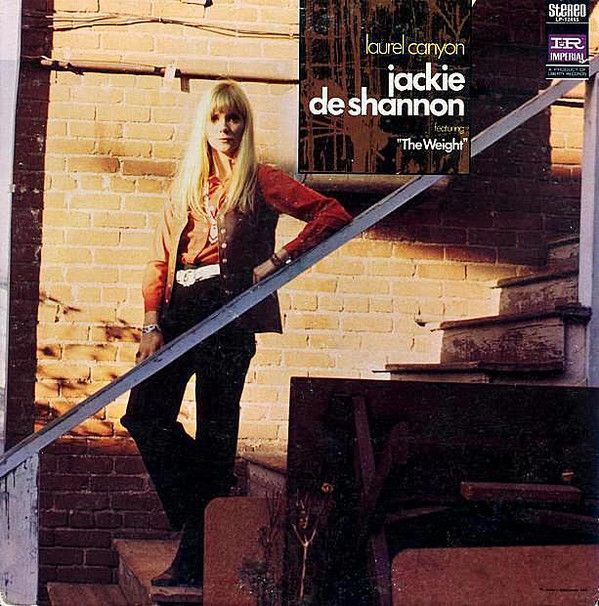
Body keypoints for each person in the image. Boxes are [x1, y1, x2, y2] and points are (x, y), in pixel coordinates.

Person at [121, 80, 352, 587]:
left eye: (234, 118)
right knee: (143, 416)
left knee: (216, 435)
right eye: (216, 119)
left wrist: (277, 260)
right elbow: (159, 259)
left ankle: (194, 560)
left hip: (230, 315)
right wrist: (151, 323)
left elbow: (331, 213)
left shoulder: (261, 179)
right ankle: (204, 510)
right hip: (179, 312)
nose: (225, 128)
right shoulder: (186, 186)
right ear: (203, 126)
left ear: (245, 125)